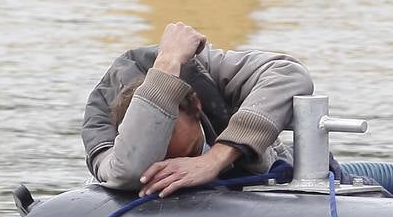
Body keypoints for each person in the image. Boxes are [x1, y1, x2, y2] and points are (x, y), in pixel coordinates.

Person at [80, 21, 314, 197]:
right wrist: (167, 62)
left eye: (167, 130)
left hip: (266, 170)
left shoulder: (204, 70)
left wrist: (213, 160)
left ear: (195, 106)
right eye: (158, 155)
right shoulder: (102, 129)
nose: (172, 164)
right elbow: (128, 172)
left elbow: (290, 74)